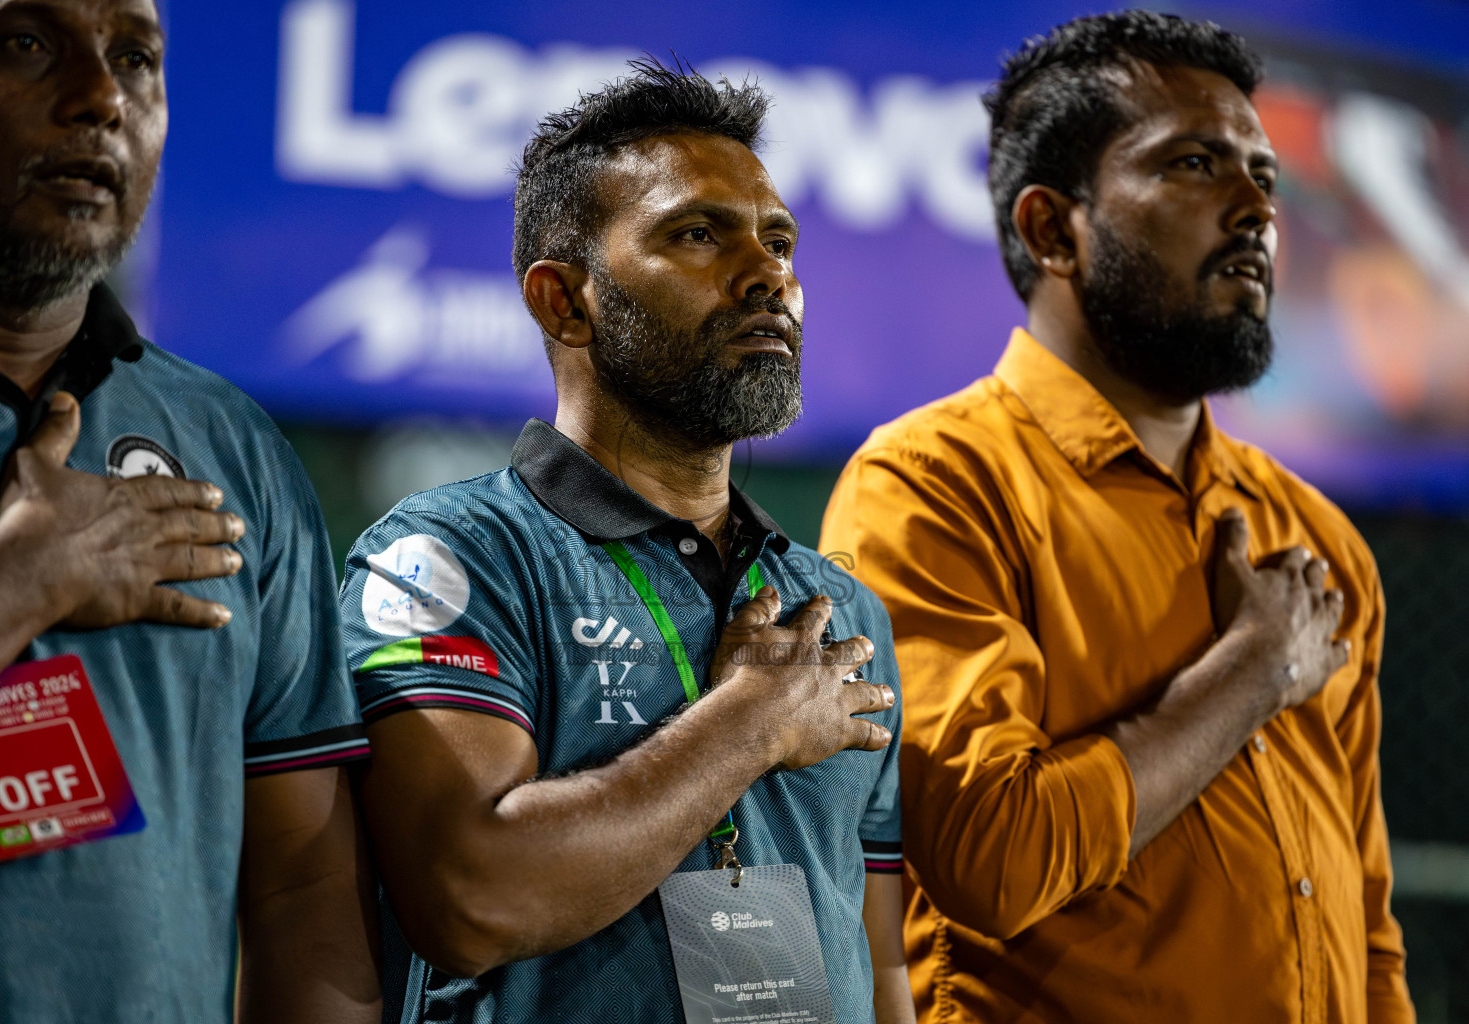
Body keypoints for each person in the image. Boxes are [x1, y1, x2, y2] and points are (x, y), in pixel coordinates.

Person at [820, 12, 1414, 1024]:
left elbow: (1366, 922)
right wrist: (1253, 671)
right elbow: (991, 861)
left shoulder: (1316, 535)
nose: (1256, 210)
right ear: (1055, 228)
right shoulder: (931, 486)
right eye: (1195, 163)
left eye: (1264, 175)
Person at [340, 61, 913, 1024]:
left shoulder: (838, 610)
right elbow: (472, 898)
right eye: (697, 234)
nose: (768, 273)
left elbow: (881, 961)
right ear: (564, 300)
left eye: (778, 241)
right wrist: (748, 725)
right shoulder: (449, 558)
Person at [0, 1, 381, 1020]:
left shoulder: (233, 446)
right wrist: (20, 575)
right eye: (27, 44)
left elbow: (304, 886)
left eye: (136, 58)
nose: (100, 99)